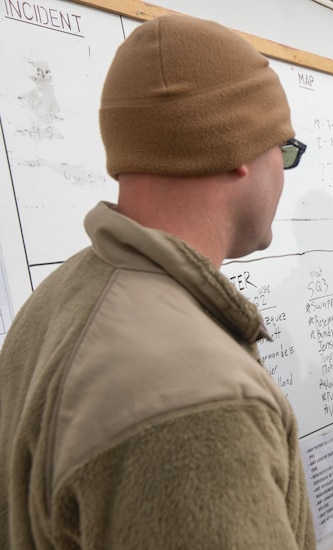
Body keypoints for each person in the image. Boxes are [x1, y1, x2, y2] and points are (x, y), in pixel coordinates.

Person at [0, 14, 315, 550]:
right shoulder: (201, 403)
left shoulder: (57, 299)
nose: (283, 172)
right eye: (284, 150)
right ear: (237, 149)